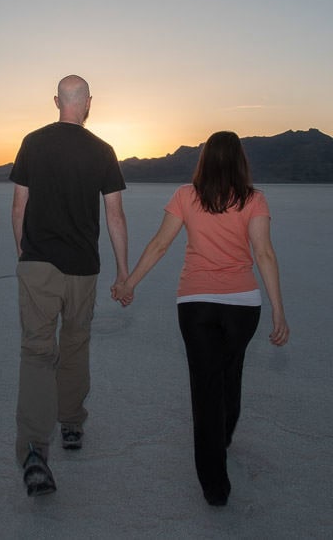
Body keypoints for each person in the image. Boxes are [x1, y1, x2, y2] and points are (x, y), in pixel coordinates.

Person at [112, 130, 289, 507]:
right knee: (230, 370)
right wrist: (278, 309)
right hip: (243, 305)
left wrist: (130, 283)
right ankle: (223, 435)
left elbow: (160, 244)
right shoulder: (255, 200)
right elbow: (265, 254)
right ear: (240, 160)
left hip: (196, 305)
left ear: (204, 159)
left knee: (206, 386)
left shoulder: (185, 196)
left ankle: (214, 483)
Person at [10, 74, 129, 497]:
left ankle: (35, 453)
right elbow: (115, 216)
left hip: (38, 264)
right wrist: (123, 272)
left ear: (56, 100)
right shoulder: (102, 151)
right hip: (83, 269)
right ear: (89, 103)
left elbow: (19, 206)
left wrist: (25, 255)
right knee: (76, 344)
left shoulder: (33, 142)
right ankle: (72, 425)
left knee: (38, 354)